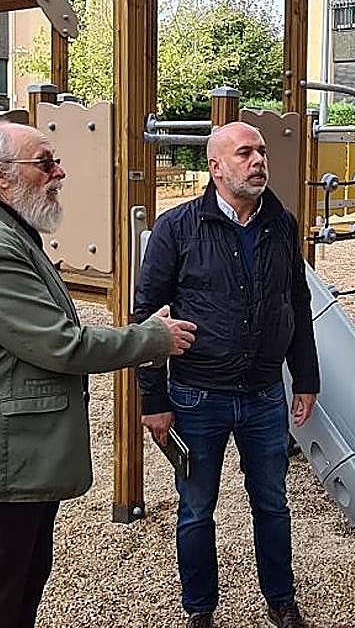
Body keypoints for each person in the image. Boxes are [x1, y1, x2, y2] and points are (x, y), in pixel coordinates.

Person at [0, 119, 197, 628]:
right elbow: (62, 345)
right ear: (2, 177)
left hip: (13, 464)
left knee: (15, 600)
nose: (60, 173)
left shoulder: (6, 231)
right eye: (45, 163)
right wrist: (152, 338)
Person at [136, 121, 320, 628]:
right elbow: (147, 315)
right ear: (215, 167)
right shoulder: (178, 228)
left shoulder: (281, 224)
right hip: (198, 397)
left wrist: (305, 377)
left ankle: (281, 601)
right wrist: (153, 399)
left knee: (273, 504)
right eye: (245, 153)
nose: (259, 160)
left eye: (261, 151)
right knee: (197, 509)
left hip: (264, 395)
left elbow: (297, 302)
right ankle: (200, 610)